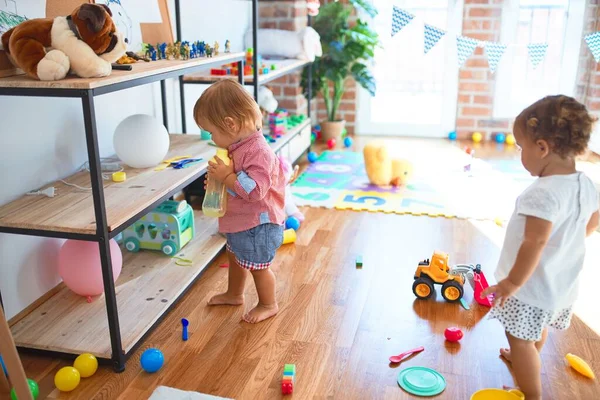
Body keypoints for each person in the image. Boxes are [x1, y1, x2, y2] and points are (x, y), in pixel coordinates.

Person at [482, 95, 599, 400]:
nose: (520, 154)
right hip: (560, 285)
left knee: (519, 336)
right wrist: (575, 237)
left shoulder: (543, 194)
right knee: (537, 325)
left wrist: (511, 283)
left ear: (543, 147)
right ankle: (524, 355)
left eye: (521, 147)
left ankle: (530, 391)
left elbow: (534, 241)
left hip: (530, 287)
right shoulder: (585, 184)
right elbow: (595, 216)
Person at [194, 79, 286, 323]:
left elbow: (254, 190)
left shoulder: (259, 152)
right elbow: (236, 184)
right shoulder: (239, 146)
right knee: (235, 257)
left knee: (258, 266)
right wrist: (218, 183)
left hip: (259, 225)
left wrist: (227, 177)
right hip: (241, 222)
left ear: (230, 124)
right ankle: (234, 294)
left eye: (211, 132)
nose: (211, 138)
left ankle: (269, 303)